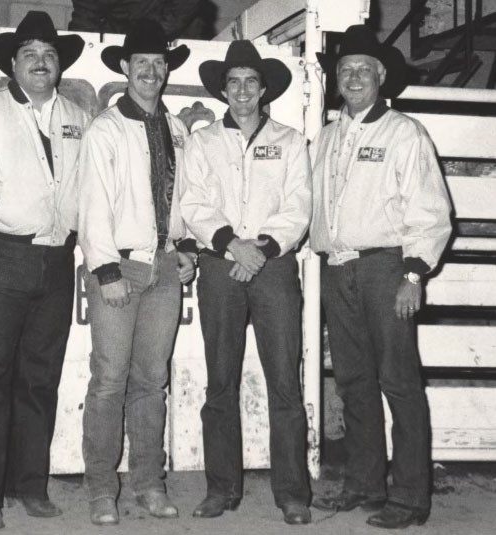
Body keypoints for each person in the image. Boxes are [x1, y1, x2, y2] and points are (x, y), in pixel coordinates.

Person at [0, 11, 90, 531]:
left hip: (56, 258)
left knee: (40, 377)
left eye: (49, 55)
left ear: (59, 66)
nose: (40, 63)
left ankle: (29, 485)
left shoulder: (77, 115)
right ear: (13, 62)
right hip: (1, 254)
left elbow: (87, 186)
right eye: (30, 54)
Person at [309, 25, 452, 529]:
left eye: (363, 70)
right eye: (345, 70)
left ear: (381, 76)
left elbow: (431, 211)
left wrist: (413, 274)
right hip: (337, 270)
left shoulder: (404, 133)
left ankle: (411, 496)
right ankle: (366, 483)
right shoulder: (326, 136)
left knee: (398, 381)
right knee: (353, 382)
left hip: (386, 268)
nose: (353, 77)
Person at [179, 40, 312, 525]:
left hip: (273, 267)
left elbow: (298, 206)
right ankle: (221, 488)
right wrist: (234, 246)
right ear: (222, 89)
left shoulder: (292, 141)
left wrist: (263, 251)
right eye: (232, 82)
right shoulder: (203, 142)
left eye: (250, 82)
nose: (241, 91)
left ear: (264, 89)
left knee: (284, 382)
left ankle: (293, 494)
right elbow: (193, 205)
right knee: (220, 381)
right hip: (221, 265)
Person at [77, 18, 198, 526]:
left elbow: (183, 196)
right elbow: (92, 205)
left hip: (165, 264)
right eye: (141, 63)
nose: (151, 72)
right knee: (109, 380)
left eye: (158, 64)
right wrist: (106, 270)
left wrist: (187, 243)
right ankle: (103, 489)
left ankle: (149, 483)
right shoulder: (105, 129)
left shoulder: (174, 128)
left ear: (166, 70)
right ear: (125, 68)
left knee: (152, 381)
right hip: (120, 263)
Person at [68, 0, 201, 39]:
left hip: (173, 38)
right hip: (117, 42)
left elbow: (186, 6)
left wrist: (143, 38)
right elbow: (83, 21)